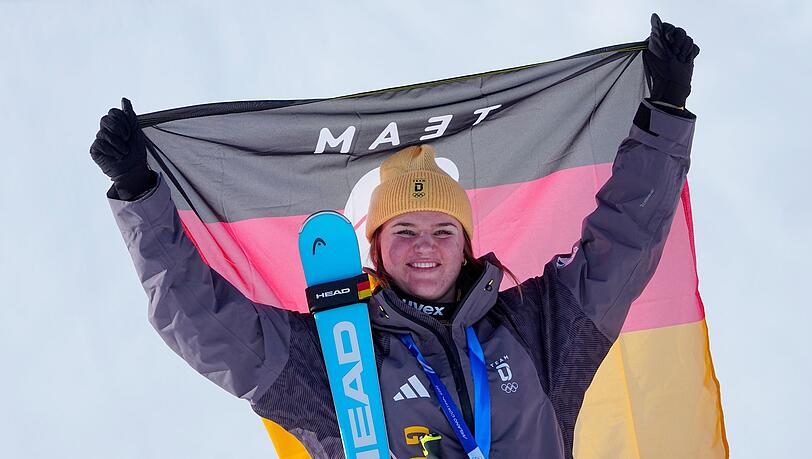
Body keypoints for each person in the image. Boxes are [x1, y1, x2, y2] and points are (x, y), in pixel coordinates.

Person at [90, 14, 699, 459]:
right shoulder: (333, 356)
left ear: (467, 245)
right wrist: (140, 195)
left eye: (442, 229)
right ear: (375, 249)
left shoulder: (538, 331)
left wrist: (664, 117)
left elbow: (623, 247)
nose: (426, 244)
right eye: (403, 231)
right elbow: (205, 323)